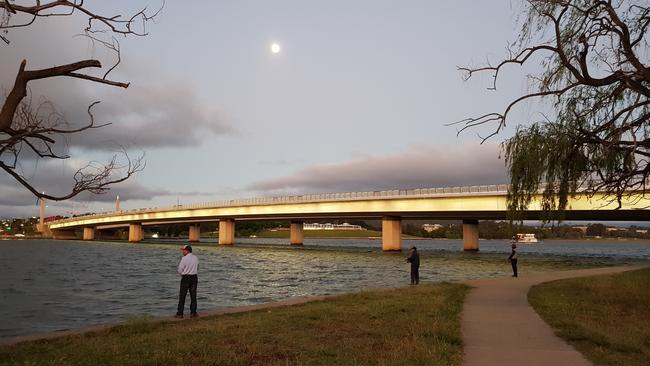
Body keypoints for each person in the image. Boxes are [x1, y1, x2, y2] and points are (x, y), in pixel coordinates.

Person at [175, 244, 199, 318]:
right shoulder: (196, 258)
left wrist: (183, 275)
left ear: (187, 251)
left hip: (186, 278)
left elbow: (180, 269)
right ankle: (193, 313)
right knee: (193, 295)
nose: (182, 252)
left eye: (183, 250)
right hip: (194, 277)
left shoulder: (184, 259)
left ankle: (180, 313)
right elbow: (198, 268)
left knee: (182, 296)